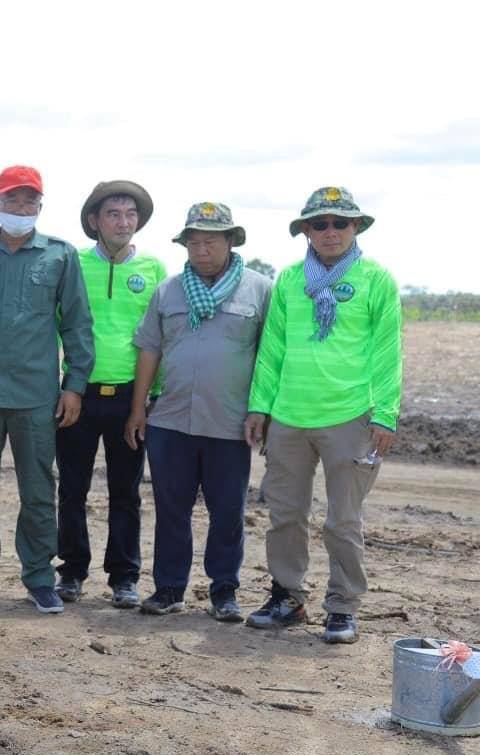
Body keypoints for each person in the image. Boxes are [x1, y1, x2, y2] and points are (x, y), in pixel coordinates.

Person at [244, 187, 402, 644]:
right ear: (305, 232)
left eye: (340, 223)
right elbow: (271, 350)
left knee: (343, 520)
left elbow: (388, 354)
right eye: (320, 224)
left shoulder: (376, 280)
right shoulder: (290, 281)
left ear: (356, 228)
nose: (330, 232)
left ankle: (342, 607)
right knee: (285, 516)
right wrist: (260, 405)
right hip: (289, 417)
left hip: (350, 416)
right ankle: (287, 598)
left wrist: (386, 414)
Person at [0, 165, 94, 614]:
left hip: (36, 396)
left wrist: (75, 386)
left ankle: (38, 577)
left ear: (40, 207)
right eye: (12, 200)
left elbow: (76, 324)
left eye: (30, 201)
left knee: (36, 489)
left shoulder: (59, 256)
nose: (21, 208)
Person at [125, 202, 272, 621]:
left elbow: (269, 356)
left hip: (230, 422)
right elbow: (149, 348)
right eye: (193, 240)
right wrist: (138, 410)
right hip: (170, 420)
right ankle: (169, 588)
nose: (201, 248)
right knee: (171, 508)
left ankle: (224, 590)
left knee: (228, 510)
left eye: (210, 240)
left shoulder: (260, 290)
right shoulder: (168, 291)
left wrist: (263, 412)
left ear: (230, 241)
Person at [55, 180, 165, 608]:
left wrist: (146, 400)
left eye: (131, 215)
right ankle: (72, 570)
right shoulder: (73, 264)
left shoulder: (154, 270)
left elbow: (158, 339)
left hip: (129, 400)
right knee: (73, 488)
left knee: (126, 490)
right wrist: (66, 388)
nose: (123, 222)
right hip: (77, 396)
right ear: (94, 221)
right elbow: (56, 326)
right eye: (114, 214)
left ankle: (124, 576)